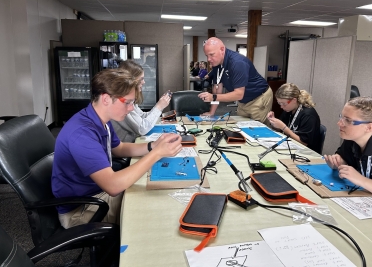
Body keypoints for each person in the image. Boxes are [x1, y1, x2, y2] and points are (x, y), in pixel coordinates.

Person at [52, 69, 182, 229]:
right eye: (127, 102)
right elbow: (113, 186)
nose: (130, 109)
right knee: (152, 204)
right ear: (106, 99)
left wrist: (152, 146)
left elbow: (118, 148)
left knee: (151, 191)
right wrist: (156, 154)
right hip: (81, 210)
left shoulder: (100, 119)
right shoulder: (81, 133)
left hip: (97, 193)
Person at [198, 37, 273, 124]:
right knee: (240, 126)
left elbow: (238, 94)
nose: (208, 59)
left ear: (222, 49)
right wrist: (212, 112)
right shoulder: (216, 64)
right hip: (243, 101)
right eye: (207, 55)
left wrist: (213, 97)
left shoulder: (237, 63)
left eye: (211, 55)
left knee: (257, 131)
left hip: (258, 97)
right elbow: (217, 90)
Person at [111, 60, 171, 141]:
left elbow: (141, 116)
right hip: (124, 148)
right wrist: (159, 107)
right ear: (131, 80)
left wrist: (160, 105)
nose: (144, 82)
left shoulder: (127, 98)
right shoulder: (122, 101)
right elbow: (142, 129)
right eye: (141, 79)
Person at [266, 83, 321, 154]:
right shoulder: (289, 109)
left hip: (305, 153)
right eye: (279, 103)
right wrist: (273, 122)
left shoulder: (308, 115)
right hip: (290, 147)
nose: (281, 107)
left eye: (284, 104)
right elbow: (281, 129)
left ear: (294, 100)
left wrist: (284, 127)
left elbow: (303, 143)